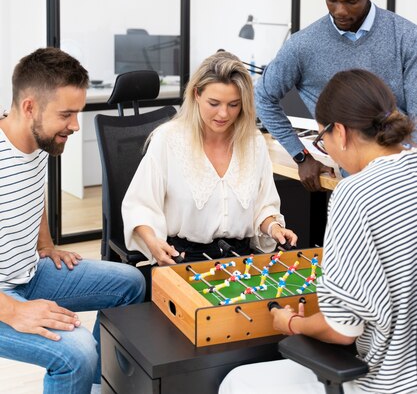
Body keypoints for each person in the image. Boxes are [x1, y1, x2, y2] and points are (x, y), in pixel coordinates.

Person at [220, 69, 417, 394]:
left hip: (388, 385)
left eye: (320, 138)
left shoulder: (355, 193)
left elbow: (341, 329)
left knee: (236, 382)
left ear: (339, 131)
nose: (324, 148)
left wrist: (291, 323)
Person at [0, 47, 146, 394]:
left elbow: (34, 193)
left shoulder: (38, 140)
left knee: (131, 282)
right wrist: (12, 311)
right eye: (67, 114)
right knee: (77, 352)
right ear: (29, 107)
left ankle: (93, 387)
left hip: (29, 273)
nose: (76, 126)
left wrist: (46, 244)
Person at [255, 0, 417, 192]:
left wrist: (404, 171)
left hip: (405, 171)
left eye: (351, 1)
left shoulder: (406, 36)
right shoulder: (303, 46)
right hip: (355, 180)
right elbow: (263, 97)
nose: (340, 10)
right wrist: (301, 156)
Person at [122, 51, 297, 266]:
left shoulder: (253, 142)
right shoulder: (168, 139)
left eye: (233, 104)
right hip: (183, 259)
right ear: (197, 94)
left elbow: (262, 207)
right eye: (214, 103)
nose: (223, 114)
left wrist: (274, 228)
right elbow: (139, 206)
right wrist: (153, 243)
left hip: (241, 260)